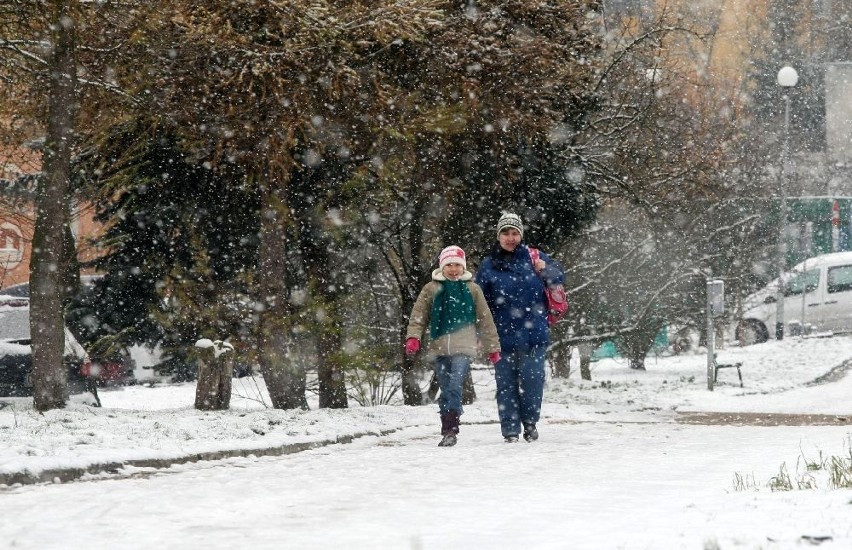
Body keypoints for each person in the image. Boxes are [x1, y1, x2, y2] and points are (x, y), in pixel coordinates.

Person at [475, 212, 565, 443]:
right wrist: (480, 333)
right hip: (502, 336)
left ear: (521, 235)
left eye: (515, 233)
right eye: (505, 232)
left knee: (532, 381)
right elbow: (479, 302)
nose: (510, 237)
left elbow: (559, 278)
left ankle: (530, 423)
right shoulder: (488, 266)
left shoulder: (535, 258)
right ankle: (510, 431)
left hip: (534, 333)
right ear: (498, 236)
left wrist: (546, 269)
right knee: (505, 385)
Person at [405, 245, 501, 447]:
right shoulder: (431, 289)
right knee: (446, 388)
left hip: (464, 348)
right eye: (449, 265)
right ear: (442, 266)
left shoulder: (472, 289)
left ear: (463, 266)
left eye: (458, 265)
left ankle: (451, 429)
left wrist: (493, 348)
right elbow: (418, 316)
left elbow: (486, 320)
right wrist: (413, 337)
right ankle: (447, 425)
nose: (454, 269)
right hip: (439, 348)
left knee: (455, 385)